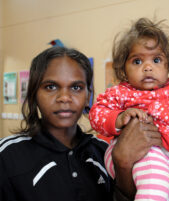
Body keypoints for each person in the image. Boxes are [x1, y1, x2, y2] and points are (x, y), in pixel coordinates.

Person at [0, 46, 147, 201]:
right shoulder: (6, 156)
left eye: (76, 87)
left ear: (88, 95)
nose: (65, 97)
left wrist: (123, 164)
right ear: (34, 93)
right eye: (51, 87)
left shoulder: (104, 151)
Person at [89, 18, 169, 201]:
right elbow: (96, 113)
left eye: (156, 60)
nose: (147, 67)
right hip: (128, 151)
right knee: (156, 179)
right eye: (137, 61)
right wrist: (119, 117)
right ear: (124, 70)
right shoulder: (122, 92)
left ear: (167, 66)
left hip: (163, 153)